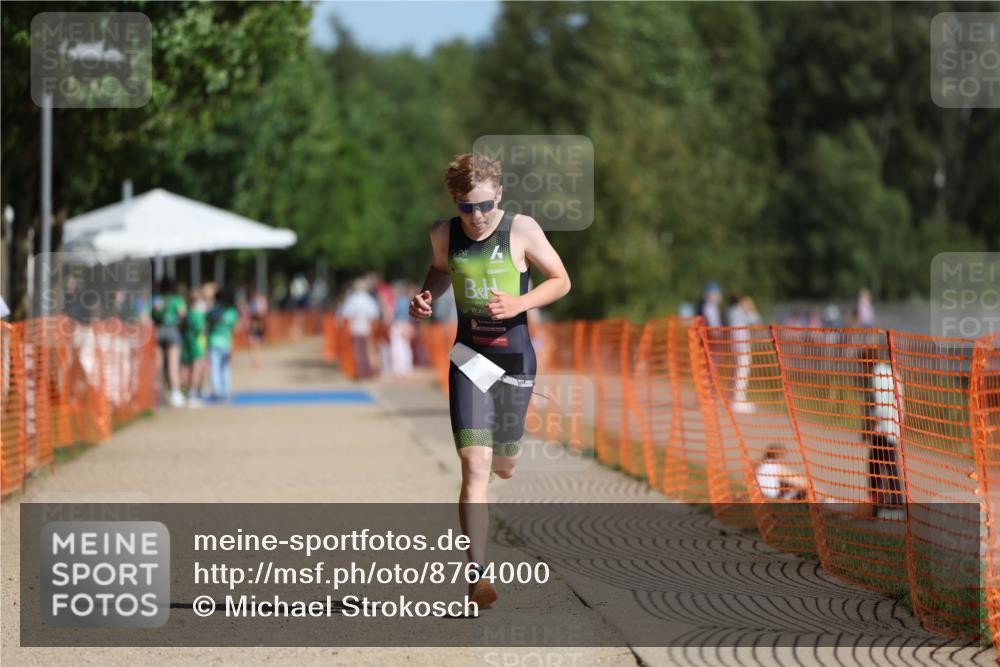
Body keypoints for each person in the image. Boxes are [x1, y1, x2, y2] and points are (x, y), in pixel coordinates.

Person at [409, 153, 571, 609]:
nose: (476, 217)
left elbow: (560, 281)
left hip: (515, 363)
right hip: (469, 358)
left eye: (483, 205)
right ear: (454, 203)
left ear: (498, 194)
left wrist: (520, 305)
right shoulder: (445, 234)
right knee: (474, 467)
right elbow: (440, 271)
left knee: (504, 466)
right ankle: (477, 573)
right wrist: (425, 297)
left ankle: (509, 452)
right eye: (466, 207)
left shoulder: (521, 230)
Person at [859, 345, 905, 519]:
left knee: (881, 466)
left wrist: (870, 426)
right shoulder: (888, 372)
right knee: (881, 465)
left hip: (885, 429)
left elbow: (880, 406)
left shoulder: (878, 374)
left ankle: (890, 506)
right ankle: (885, 504)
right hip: (891, 427)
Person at [151, 278, 187, 407]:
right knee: (173, 364)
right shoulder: (177, 299)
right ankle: (176, 393)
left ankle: (158, 393)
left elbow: (150, 313)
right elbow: (182, 315)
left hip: (158, 330)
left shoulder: (156, 299)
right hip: (172, 330)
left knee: (158, 365)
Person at [338, 279, 381, 379]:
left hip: (355, 328)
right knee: (367, 350)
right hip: (367, 328)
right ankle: (367, 370)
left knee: (358, 351)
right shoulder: (369, 299)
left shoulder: (352, 299)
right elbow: (375, 314)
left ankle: (360, 370)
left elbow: (346, 314)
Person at [727, 294, 761, 414]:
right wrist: (750, 307)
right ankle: (737, 401)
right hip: (741, 345)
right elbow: (756, 319)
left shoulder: (731, 311)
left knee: (736, 372)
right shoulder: (740, 311)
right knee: (742, 371)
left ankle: (733, 399)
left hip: (734, 345)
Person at [207, 287, 240, 403]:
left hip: (214, 342)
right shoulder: (232, 312)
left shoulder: (213, 311)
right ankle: (226, 392)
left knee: (215, 368)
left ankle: (217, 392)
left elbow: (208, 324)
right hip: (226, 343)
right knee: (225, 368)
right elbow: (235, 329)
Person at [180, 284, 211, 408]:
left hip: (186, 343)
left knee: (187, 368)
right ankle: (193, 394)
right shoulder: (198, 315)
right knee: (197, 369)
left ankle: (186, 392)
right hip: (197, 344)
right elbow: (201, 330)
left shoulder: (186, 314)